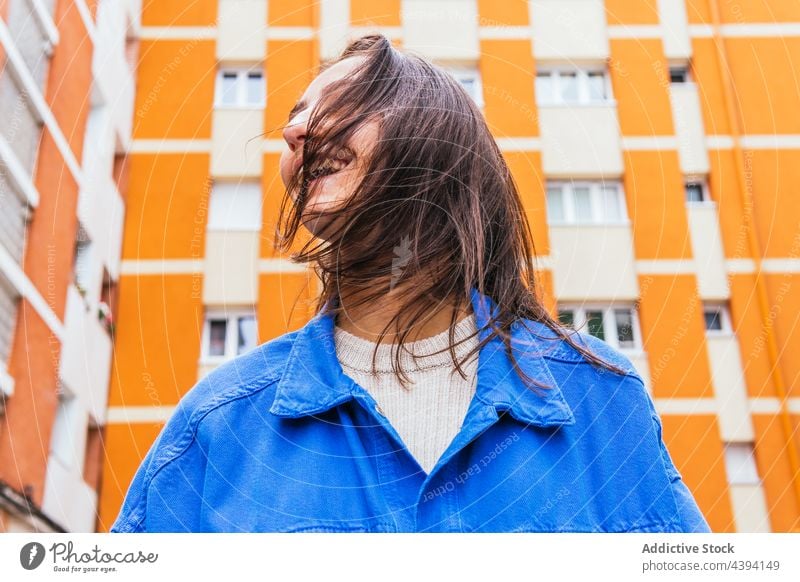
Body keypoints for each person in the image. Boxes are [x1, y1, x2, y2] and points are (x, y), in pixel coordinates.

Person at [110, 35, 710, 533]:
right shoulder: (219, 428)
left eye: (341, 103)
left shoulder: (600, 401)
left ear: (435, 139)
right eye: (294, 115)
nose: (295, 131)